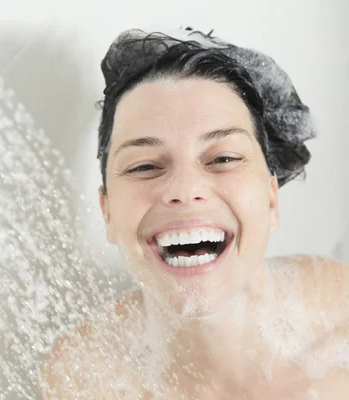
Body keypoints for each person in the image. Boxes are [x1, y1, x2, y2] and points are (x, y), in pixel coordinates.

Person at [40, 28, 349, 399]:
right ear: (107, 211)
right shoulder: (84, 376)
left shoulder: (340, 325)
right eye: (144, 166)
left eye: (223, 159)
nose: (184, 190)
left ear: (271, 199)